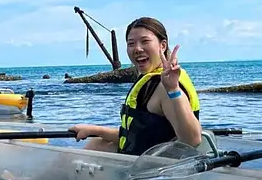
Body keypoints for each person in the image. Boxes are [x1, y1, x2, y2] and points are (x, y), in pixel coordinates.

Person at [68, 17, 202, 155]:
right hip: (142, 161)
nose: (137, 49)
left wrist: (173, 90)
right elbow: (137, 137)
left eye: (145, 41)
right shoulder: (150, 81)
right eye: (131, 43)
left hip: (156, 171)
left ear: (162, 45)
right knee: (98, 143)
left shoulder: (164, 87)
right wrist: (94, 130)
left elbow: (192, 140)